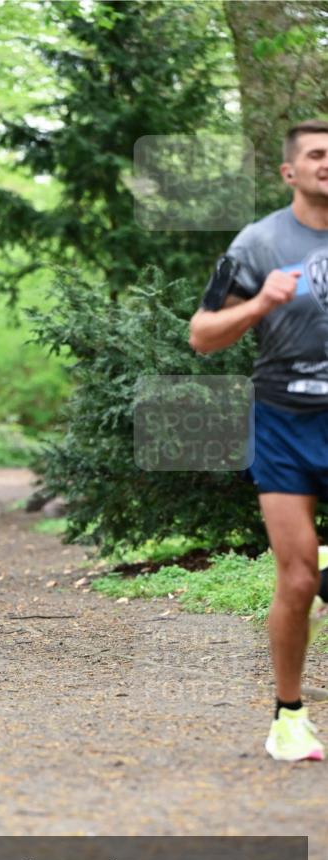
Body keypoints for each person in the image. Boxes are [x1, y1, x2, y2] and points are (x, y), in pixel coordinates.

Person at [189, 119, 328, 762]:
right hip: (283, 421)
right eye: (317, 155)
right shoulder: (257, 243)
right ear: (289, 171)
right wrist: (260, 305)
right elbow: (202, 333)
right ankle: (289, 717)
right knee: (297, 578)